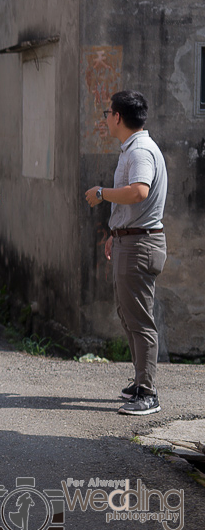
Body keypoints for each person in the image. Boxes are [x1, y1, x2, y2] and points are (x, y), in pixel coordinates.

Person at [84, 91, 167, 416]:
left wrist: (103, 193)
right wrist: (115, 233)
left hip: (140, 245)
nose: (105, 118)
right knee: (128, 314)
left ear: (118, 116)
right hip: (129, 240)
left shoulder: (141, 151)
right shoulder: (134, 148)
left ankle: (148, 392)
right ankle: (139, 382)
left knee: (140, 319)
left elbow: (139, 191)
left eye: (107, 113)